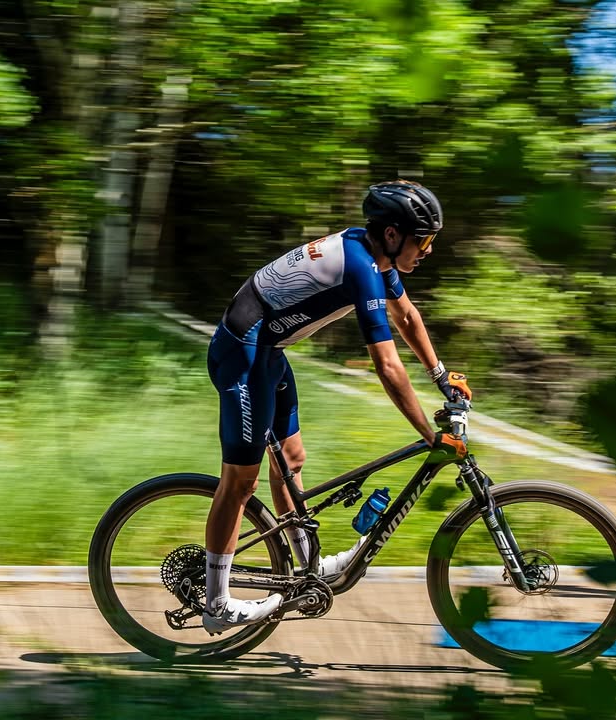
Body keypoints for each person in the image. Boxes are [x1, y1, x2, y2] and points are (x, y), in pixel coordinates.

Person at [202, 180, 472, 634]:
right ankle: (216, 603)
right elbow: (386, 365)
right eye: (423, 240)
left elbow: (407, 315)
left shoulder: (374, 256)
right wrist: (430, 436)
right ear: (392, 234)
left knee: (291, 460)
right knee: (241, 482)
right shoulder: (360, 267)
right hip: (241, 355)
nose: (428, 250)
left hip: (267, 352)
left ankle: (307, 567)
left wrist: (441, 375)